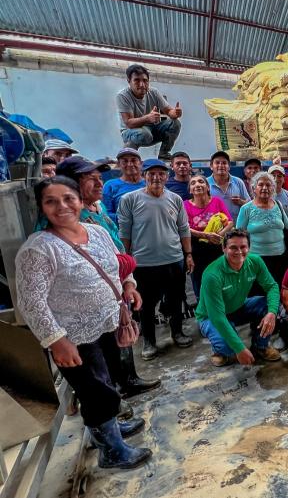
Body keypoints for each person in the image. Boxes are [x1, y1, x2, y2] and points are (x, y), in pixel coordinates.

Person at [16, 176, 151, 469]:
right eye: (51, 201)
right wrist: (56, 340)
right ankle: (111, 451)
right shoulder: (39, 249)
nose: (62, 206)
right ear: (41, 208)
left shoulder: (96, 232)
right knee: (94, 391)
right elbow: (31, 302)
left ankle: (109, 430)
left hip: (107, 323)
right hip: (73, 335)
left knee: (107, 381)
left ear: (79, 200)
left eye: (68, 198)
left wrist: (129, 284)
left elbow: (116, 263)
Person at [56, 158, 160, 398]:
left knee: (120, 337)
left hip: (115, 287)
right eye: (89, 178)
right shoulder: (66, 218)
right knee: (97, 355)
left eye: (99, 177)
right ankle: (110, 404)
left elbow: (115, 247)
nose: (99, 182)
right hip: (88, 299)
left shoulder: (97, 208)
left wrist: (128, 281)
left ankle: (127, 381)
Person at [118, 159, 193, 360]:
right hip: (143, 264)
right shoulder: (129, 199)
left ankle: (177, 332)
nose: (156, 178)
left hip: (174, 259)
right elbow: (124, 233)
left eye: (161, 174)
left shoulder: (175, 199)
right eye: (152, 173)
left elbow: (183, 229)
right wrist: (125, 263)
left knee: (176, 300)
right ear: (144, 176)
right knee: (145, 305)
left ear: (167, 177)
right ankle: (149, 342)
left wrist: (188, 254)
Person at [195, 229, 281, 366]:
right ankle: (220, 350)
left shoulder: (255, 261)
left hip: (239, 306)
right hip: (211, 316)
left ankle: (261, 346)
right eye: (233, 247)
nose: (239, 252)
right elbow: (217, 316)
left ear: (249, 248)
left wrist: (272, 312)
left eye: (243, 247)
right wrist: (240, 348)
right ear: (223, 248)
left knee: (270, 305)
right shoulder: (212, 275)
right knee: (230, 349)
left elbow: (272, 287)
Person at [237, 171, 288, 286]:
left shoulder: (278, 205)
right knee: (260, 291)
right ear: (254, 188)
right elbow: (238, 235)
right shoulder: (246, 208)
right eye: (261, 185)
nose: (265, 188)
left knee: (279, 287)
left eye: (268, 185)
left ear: (273, 188)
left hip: (280, 257)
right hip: (256, 259)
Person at [117, 64, 181, 160]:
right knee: (145, 134)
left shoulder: (154, 92)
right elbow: (129, 123)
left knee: (175, 123)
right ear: (129, 81)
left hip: (151, 131)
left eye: (145, 80)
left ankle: (164, 153)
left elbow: (168, 110)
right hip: (130, 132)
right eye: (137, 80)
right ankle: (127, 156)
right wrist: (147, 118)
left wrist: (175, 113)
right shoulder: (123, 96)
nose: (142, 84)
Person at [184, 174, 232, 297]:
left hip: (216, 245)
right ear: (190, 190)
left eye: (201, 181)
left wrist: (219, 236)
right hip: (196, 248)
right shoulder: (185, 205)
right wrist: (206, 235)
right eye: (193, 183)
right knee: (199, 280)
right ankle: (203, 311)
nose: (197, 184)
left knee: (220, 278)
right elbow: (184, 228)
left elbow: (230, 222)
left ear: (208, 187)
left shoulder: (217, 201)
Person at [101, 148, 144, 223]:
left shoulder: (151, 184)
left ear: (141, 163)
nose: (130, 164)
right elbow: (105, 214)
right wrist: (128, 218)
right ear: (118, 164)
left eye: (134, 160)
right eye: (125, 161)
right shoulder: (110, 186)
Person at [207, 150, 250, 222]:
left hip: (237, 228)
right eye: (217, 163)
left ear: (229, 166)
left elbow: (249, 205)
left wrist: (240, 202)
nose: (221, 165)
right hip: (214, 229)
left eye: (224, 163)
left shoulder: (238, 182)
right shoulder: (205, 183)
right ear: (211, 166)